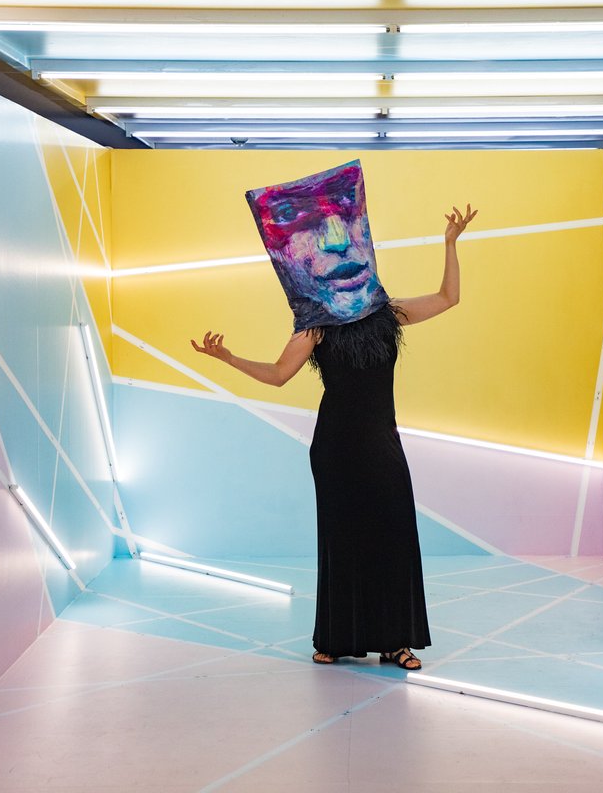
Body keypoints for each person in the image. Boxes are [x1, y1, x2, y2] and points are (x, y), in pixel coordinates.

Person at [193, 186, 477, 671]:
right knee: (342, 539)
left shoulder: (388, 313)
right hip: (337, 448)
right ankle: (336, 638)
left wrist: (450, 241)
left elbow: (449, 298)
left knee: (392, 537)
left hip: (381, 445)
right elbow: (279, 375)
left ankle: (395, 642)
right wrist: (227, 357)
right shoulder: (315, 325)